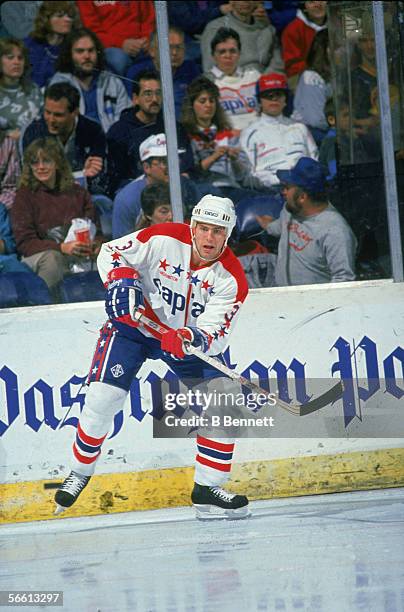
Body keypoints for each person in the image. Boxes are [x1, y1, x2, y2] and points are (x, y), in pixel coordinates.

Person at [54, 194, 251, 520]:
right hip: (134, 326)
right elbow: (112, 252)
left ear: (227, 235)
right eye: (203, 229)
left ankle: (207, 487)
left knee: (224, 401)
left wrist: (190, 335)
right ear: (193, 227)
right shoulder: (163, 237)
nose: (209, 238)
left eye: (217, 232)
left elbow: (216, 333)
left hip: (183, 342)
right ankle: (80, 470)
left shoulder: (231, 279)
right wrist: (121, 280)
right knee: (103, 399)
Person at [11, 138, 98, 292]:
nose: (41, 167)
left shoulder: (78, 193)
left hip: (78, 251)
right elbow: (25, 244)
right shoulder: (24, 196)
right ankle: (48, 305)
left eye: (46, 161)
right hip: (41, 255)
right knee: (53, 259)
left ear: (57, 163)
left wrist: (95, 245)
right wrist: (61, 248)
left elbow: (97, 231)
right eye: (35, 163)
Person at [256, 157, 357, 285]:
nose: (283, 192)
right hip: (281, 295)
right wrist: (268, 225)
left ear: (302, 197)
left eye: (287, 187)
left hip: (311, 302)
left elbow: (344, 280)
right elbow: (281, 227)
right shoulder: (290, 209)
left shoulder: (335, 232)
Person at [106, 70, 194, 194]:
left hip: (174, 188)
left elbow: (187, 165)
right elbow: (116, 177)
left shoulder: (173, 127)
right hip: (137, 190)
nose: (154, 99)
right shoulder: (119, 131)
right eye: (148, 94)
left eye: (158, 93)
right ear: (135, 99)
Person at [181, 76, 262, 202]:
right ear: (192, 105)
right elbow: (191, 173)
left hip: (231, 187)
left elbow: (242, 176)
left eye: (212, 101)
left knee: (257, 200)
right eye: (202, 101)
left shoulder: (227, 134)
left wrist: (235, 160)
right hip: (203, 190)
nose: (208, 105)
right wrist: (214, 157)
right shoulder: (185, 135)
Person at [240, 73, 318, 189]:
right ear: (259, 100)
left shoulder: (300, 128)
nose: (274, 98)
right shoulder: (249, 133)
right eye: (268, 95)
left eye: (278, 94)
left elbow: (314, 161)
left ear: (286, 99)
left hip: (304, 188)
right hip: (270, 191)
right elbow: (247, 175)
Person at [112, 132, 197, 238]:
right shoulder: (126, 199)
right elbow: (120, 243)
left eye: (174, 159)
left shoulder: (187, 186)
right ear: (146, 167)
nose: (171, 166)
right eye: (164, 162)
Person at [49, 28, 131, 133]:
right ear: (69, 55)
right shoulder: (59, 83)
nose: (87, 56)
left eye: (91, 50)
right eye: (80, 51)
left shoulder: (112, 82)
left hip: (111, 142)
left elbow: (126, 118)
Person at [125, 26, 201, 119]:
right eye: (168, 47)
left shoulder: (191, 69)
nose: (174, 52)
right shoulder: (137, 72)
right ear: (152, 51)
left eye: (179, 47)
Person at [201, 0, 284, 74]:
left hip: (264, 84)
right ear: (231, 1)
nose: (245, 1)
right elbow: (210, 68)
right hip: (230, 84)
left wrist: (263, 80)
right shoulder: (215, 28)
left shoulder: (267, 29)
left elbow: (277, 63)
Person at [76, 0, 155, 77]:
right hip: (109, 47)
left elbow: (148, 18)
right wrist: (121, 43)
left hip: (141, 43)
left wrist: (146, 38)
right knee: (118, 60)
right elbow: (92, 31)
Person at [204, 27, 261, 130]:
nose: (228, 56)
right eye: (222, 52)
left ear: (239, 53)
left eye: (232, 51)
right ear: (213, 55)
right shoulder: (206, 82)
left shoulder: (254, 76)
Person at [23, 1, 80, 88]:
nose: (68, 19)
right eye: (60, 16)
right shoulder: (29, 45)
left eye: (70, 16)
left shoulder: (75, 47)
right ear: (46, 19)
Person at [291, 29, 332, 144]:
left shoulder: (341, 74)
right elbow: (316, 121)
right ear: (323, 50)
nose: (343, 51)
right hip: (310, 135)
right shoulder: (311, 77)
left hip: (328, 130)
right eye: (335, 47)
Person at [0, 38, 42, 142]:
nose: (16, 62)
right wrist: (6, 135)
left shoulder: (34, 90)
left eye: (20, 58)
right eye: (10, 58)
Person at [281, 0, 327, 90]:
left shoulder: (338, 22)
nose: (317, 4)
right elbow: (292, 65)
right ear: (304, 6)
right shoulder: (293, 29)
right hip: (303, 76)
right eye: (311, 2)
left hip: (334, 74)